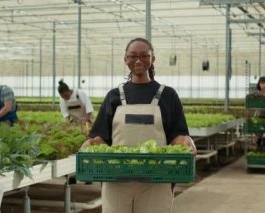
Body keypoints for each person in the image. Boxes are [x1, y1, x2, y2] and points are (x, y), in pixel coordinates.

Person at [81, 37, 197, 213]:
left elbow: (177, 136)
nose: (138, 60)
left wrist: (186, 142)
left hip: (157, 179)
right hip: (117, 178)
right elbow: (101, 137)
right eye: (133, 56)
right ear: (125, 59)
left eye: (144, 56)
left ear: (152, 59)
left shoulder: (168, 95)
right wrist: (91, 144)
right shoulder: (114, 96)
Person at [253, 76, 265, 151]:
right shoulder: (256, 95)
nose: (264, 85)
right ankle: (258, 149)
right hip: (258, 117)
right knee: (259, 136)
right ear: (259, 84)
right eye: (262, 83)